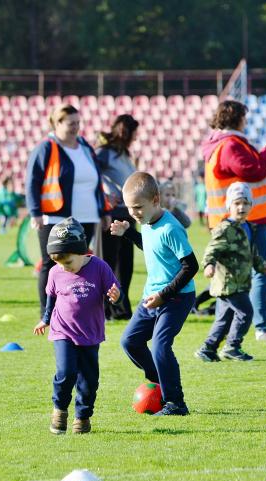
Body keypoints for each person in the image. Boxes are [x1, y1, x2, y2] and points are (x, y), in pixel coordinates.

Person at [110, 172, 198, 416]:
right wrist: (128, 232)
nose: (134, 213)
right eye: (130, 208)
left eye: (138, 207)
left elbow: (191, 266)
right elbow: (150, 244)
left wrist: (165, 295)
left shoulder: (171, 228)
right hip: (152, 296)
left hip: (177, 297)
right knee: (130, 341)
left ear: (156, 200)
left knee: (160, 345)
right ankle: (158, 378)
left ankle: (175, 402)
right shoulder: (146, 222)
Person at [201, 100, 266, 341]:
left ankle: (225, 335)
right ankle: (260, 328)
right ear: (237, 118)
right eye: (244, 118)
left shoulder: (223, 144)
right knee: (254, 273)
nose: (246, 123)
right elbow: (253, 170)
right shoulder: (229, 146)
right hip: (241, 221)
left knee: (235, 276)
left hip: (239, 220)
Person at [33, 218, 121, 434]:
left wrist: (115, 296)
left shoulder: (99, 267)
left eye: (68, 263)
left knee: (89, 380)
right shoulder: (55, 272)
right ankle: (60, 410)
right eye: (59, 263)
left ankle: (82, 416)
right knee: (66, 372)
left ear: (82, 252)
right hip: (62, 330)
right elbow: (51, 299)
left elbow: (115, 292)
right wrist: (45, 319)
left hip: (90, 334)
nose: (64, 267)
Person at [25, 104, 110, 318]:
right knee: (51, 263)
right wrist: (35, 211)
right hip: (55, 215)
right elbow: (33, 181)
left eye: (78, 123)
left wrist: (103, 210)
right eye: (71, 123)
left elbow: (96, 180)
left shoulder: (84, 146)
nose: (76, 128)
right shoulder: (46, 147)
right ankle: (49, 311)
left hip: (88, 215)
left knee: (80, 262)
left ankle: (74, 308)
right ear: (57, 123)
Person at [194, 182, 266, 363]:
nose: (241, 207)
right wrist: (209, 264)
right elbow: (212, 249)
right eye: (237, 203)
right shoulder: (225, 229)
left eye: (245, 203)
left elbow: (252, 255)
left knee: (224, 320)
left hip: (240, 282)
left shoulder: (249, 228)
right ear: (229, 206)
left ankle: (208, 349)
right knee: (246, 313)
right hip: (229, 283)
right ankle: (232, 346)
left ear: (251, 206)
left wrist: (264, 267)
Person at [96, 114, 139, 320]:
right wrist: (106, 192)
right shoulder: (104, 153)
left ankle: (121, 308)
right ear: (125, 132)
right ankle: (104, 308)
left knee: (126, 265)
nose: (136, 138)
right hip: (112, 214)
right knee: (109, 262)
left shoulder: (124, 155)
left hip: (128, 214)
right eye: (134, 133)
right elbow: (93, 173)